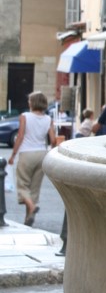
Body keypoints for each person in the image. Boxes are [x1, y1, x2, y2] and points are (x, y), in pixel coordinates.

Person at [8, 91, 56, 226]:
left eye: (29, 100)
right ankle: (28, 217)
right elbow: (53, 140)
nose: (28, 102)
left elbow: (21, 136)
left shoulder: (24, 116)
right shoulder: (48, 119)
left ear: (32, 103)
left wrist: (13, 155)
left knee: (22, 185)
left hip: (27, 153)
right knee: (34, 188)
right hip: (42, 154)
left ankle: (31, 207)